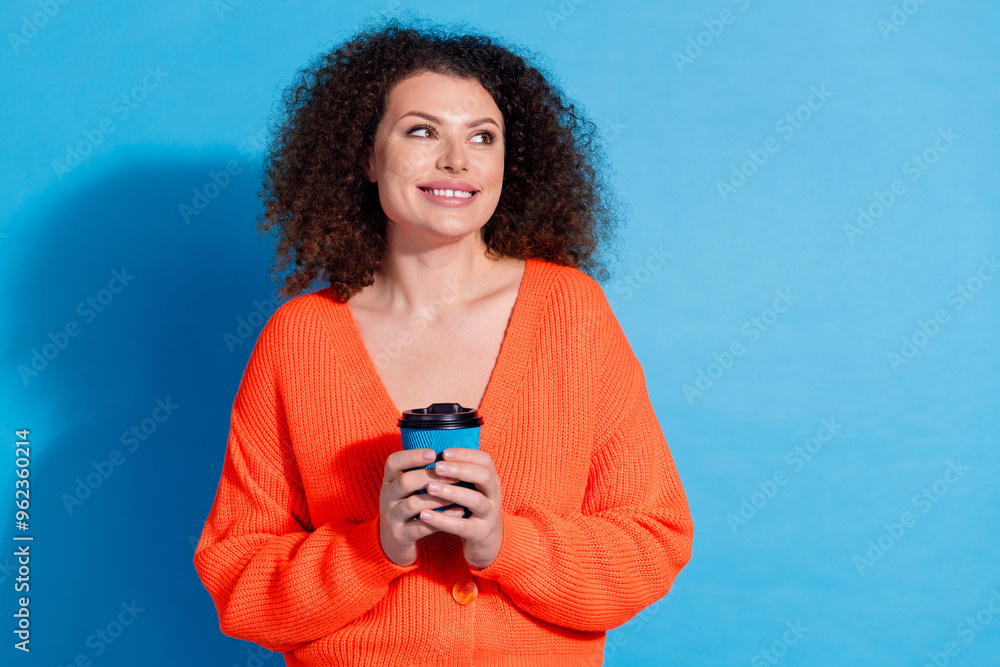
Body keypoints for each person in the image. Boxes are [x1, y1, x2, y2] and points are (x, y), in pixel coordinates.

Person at [194, 16, 693, 667]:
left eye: (483, 136)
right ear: (367, 157)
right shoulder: (297, 338)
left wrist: (503, 543)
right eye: (422, 130)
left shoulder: (573, 314)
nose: (457, 159)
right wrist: (374, 546)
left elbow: (653, 539)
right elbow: (240, 580)